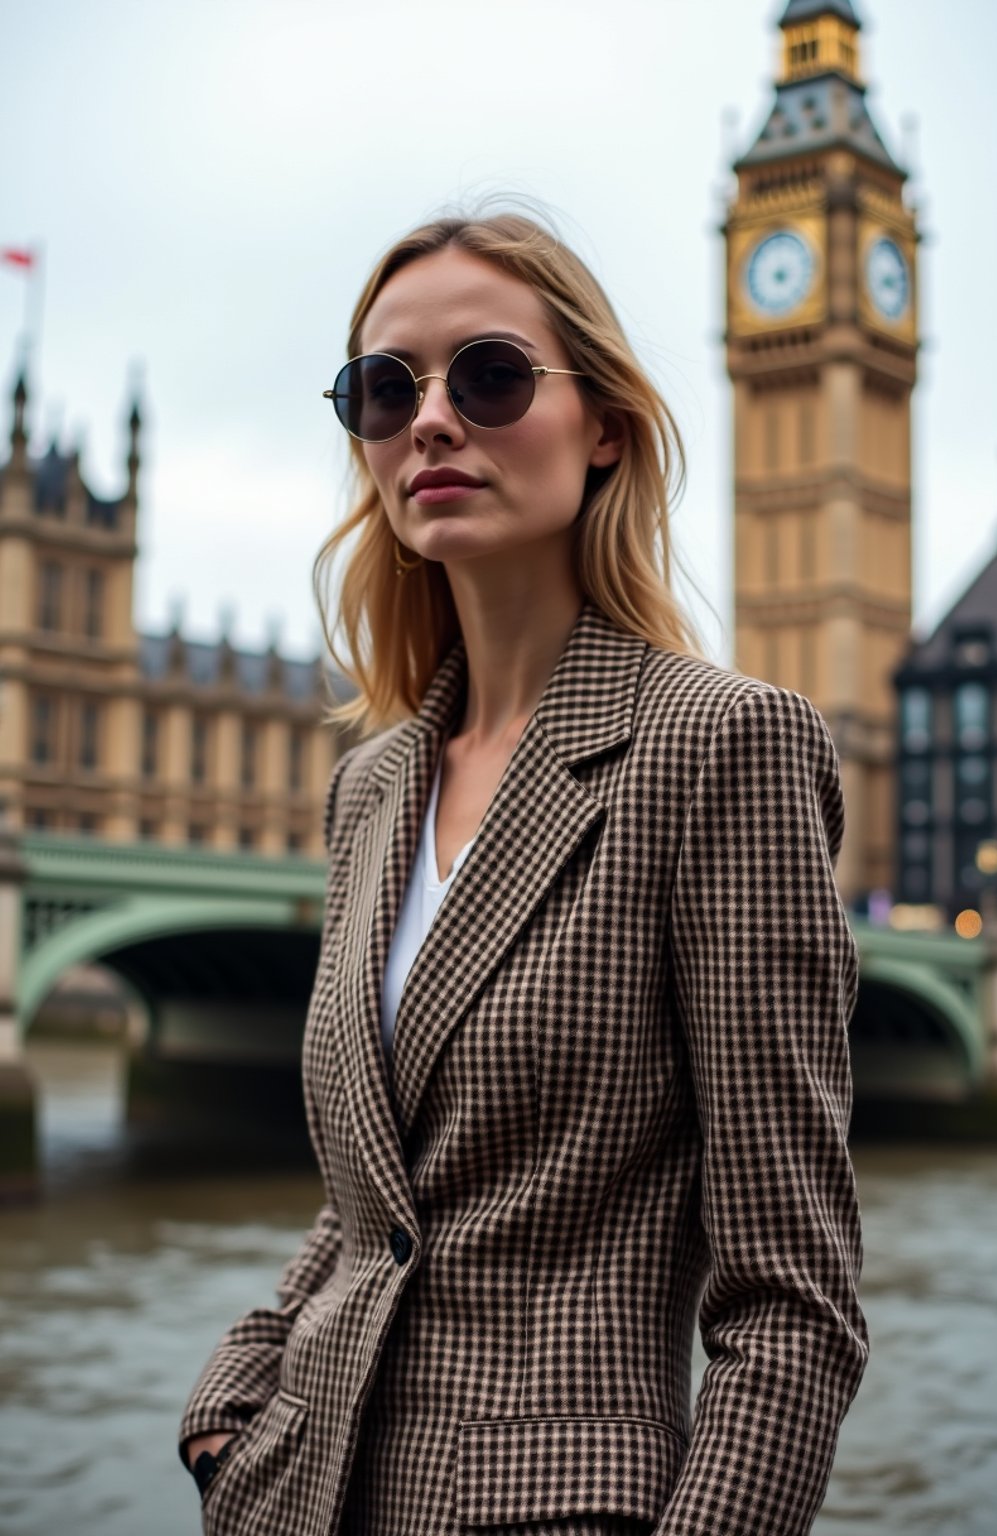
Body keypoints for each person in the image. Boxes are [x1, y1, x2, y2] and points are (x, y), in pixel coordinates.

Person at [178, 204, 869, 1536]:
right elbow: (372, 1198)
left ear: (603, 423)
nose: (431, 420)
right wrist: (231, 1395)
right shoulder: (370, 786)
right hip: (287, 1496)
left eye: (488, 377)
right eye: (386, 391)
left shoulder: (724, 747)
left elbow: (794, 1303)